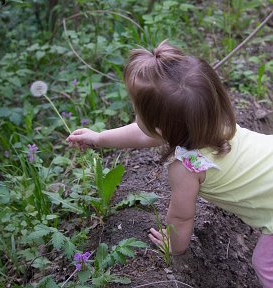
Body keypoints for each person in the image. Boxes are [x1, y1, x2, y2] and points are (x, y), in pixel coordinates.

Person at [66, 40, 273, 287]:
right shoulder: (216, 123)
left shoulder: (186, 168)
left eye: (136, 111)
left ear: (161, 127)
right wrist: (98, 138)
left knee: (265, 263)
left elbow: (182, 217)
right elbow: (144, 133)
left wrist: (173, 244)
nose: (135, 115)